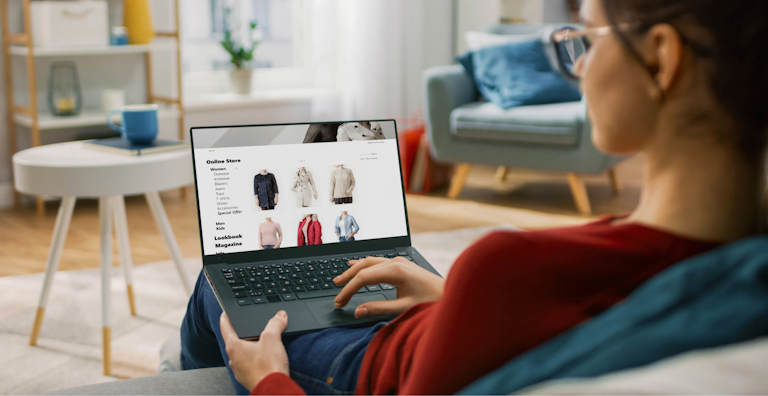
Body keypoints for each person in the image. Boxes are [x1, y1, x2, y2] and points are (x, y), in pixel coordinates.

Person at [180, 0, 768, 394]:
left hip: (367, 368)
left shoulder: (509, 266)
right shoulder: (736, 261)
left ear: (661, 58)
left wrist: (269, 381)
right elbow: (594, 313)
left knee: (218, 284)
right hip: (437, 325)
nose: (582, 63)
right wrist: (451, 297)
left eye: (586, 37)